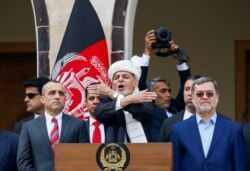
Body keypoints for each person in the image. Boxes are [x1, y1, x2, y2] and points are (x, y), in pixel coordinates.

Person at [170, 77, 246, 171]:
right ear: (193, 98)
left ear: (217, 97)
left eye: (209, 94)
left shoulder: (234, 129)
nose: (205, 97)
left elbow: (240, 166)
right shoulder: (178, 130)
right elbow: (176, 166)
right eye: (199, 94)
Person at [17, 80, 89, 171]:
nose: (57, 96)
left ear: (65, 99)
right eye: (52, 93)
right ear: (42, 99)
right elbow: (23, 161)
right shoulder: (29, 127)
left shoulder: (78, 124)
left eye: (61, 93)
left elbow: (85, 158)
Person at [139, 30, 191, 141]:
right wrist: (147, 52)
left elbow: (187, 83)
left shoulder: (175, 107)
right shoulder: (148, 109)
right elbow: (140, 83)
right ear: (151, 94)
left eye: (169, 91)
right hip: (157, 155)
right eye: (163, 91)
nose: (168, 94)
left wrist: (179, 61)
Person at [93, 58, 157, 143]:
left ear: (135, 83)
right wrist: (129, 99)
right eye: (116, 78)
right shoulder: (107, 100)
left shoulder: (143, 97)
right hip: (116, 153)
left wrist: (116, 96)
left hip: (144, 152)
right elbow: (99, 113)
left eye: (125, 77)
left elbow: (144, 113)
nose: (120, 79)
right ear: (113, 86)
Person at [159, 75, 201, 142]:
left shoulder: (216, 122)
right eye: (187, 89)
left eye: (194, 89)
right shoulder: (168, 123)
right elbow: (162, 151)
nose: (189, 93)